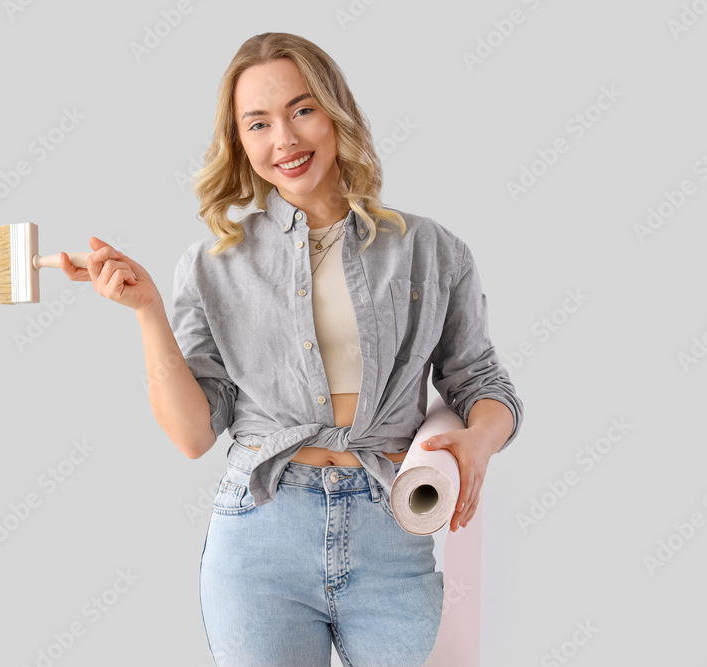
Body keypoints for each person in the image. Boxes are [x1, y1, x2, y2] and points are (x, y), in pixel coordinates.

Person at [59, 31, 523, 667]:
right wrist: (147, 313)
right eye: (258, 123)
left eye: (302, 110)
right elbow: (194, 434)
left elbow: (484, 386)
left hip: (392, 524)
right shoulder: (210, 266)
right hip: (261, 535)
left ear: (335, 113)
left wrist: (477, 441)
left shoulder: (430, 249)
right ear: (241, 143)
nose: (285, 139)